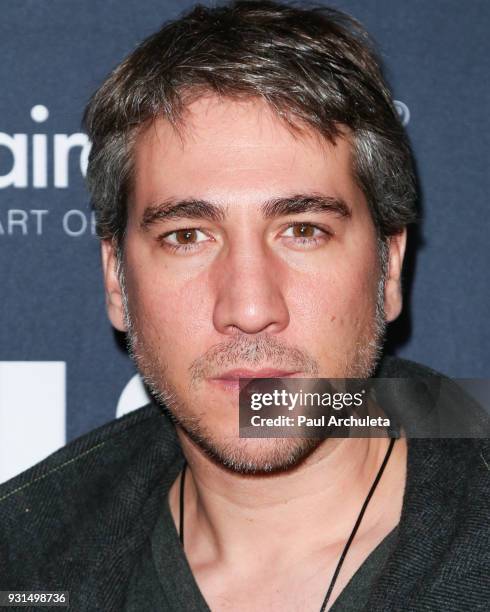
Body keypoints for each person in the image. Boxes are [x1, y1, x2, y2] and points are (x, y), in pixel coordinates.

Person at [0, 2, 487, 610]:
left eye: (303, 230)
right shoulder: (22, 562)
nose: (251, 307)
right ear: (117, 282)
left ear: (388, 268)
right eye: (186, 236)